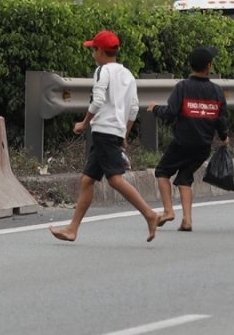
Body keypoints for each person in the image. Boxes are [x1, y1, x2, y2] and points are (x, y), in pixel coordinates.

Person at [50, 30, 161, 243]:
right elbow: (134, 108)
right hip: (114, 132)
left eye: (93, 50)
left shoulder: (102, 71)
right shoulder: (127, 74)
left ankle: (150, 215)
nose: (93, 54)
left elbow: (98, 100)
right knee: (87, 180)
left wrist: (84, 123)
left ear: (100, 51)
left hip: (103, 132)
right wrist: (125, 134)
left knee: (115, 179)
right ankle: (72, 229)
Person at [147, 46, 230, 232]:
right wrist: (224, 137)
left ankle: (168, 211)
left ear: (190, 66)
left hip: (182, 142)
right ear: (209, 67)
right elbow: (220, 118)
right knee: (185, 178)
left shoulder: (183, 87)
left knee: (162, 171)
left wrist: (155, 109)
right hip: (203, 146)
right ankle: (187, 220)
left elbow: (170, 111)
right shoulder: (217, 91)